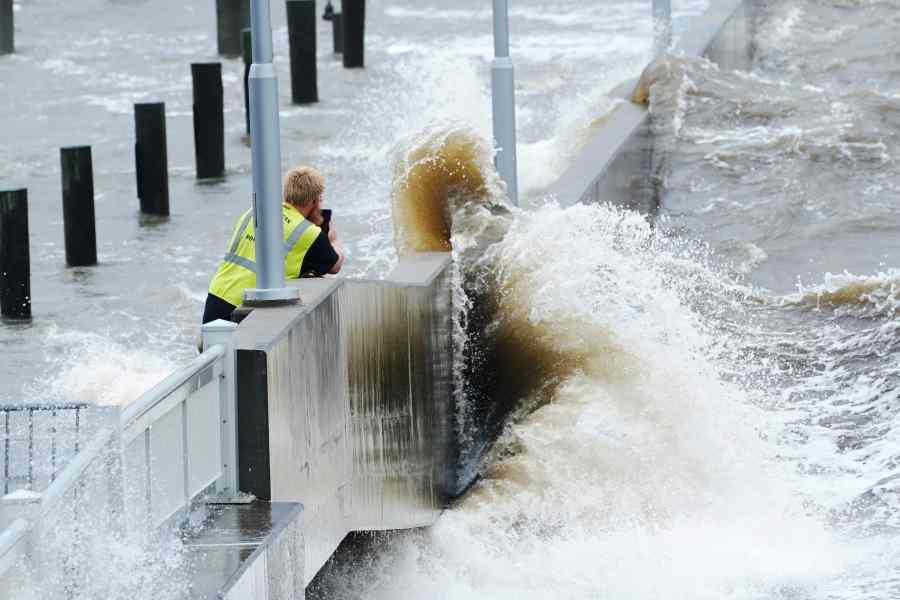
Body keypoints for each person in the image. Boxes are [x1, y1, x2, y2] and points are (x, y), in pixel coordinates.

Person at [202, 166, 345, 324]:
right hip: (249, 306)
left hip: (218, 294)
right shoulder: (308, 233)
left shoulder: (253, 212)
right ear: (315, 200)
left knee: (214, 348)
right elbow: (334, 265)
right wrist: (333, 239)